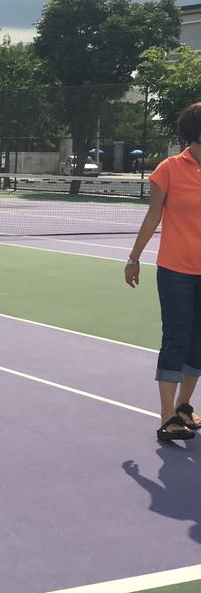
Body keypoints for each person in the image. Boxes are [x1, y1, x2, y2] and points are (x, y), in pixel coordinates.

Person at [125, 102, 201, 445]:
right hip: (176, 272)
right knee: (176, 339)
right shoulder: (168, 169)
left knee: (198, 343)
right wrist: (134, 258)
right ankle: (167, 416)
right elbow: (153, 216)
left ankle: (184, 406)